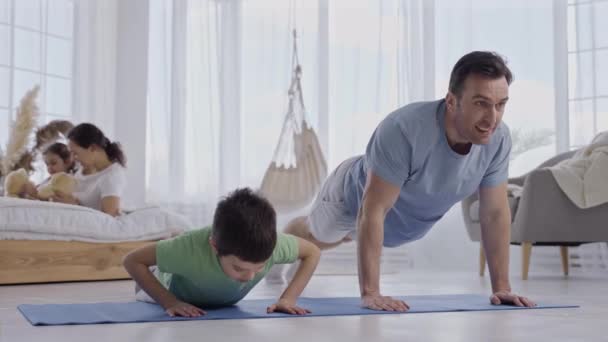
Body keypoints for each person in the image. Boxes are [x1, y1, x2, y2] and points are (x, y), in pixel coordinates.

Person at [282, 51, 535, 311]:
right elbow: (373, 210)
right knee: (316, 236)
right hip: (350, 199)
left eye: (500, 104)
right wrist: (371, 293)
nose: (492, 118)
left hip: (393, 224)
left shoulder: (498, 139)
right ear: (451, 101)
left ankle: (331, 238)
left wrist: (502, 288)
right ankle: (278, 244)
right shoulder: (403, 129)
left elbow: (493, 213)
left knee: (345, 237)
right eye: (481, 103)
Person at [123, 188, 321, 317]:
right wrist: (169, 302)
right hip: (166, 283)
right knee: (170, 256)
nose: (249, 277)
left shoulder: (273, 244)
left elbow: (312, 252)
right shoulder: (188, 249)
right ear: (215, 247)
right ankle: (169, 244)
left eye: (260, 267)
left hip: (216, 293)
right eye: (239, 268)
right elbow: (132, 261)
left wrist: (288, 298)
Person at [51, 123, 127, 217]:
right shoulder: (82, 169)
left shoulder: (112, 176)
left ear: (92, 148)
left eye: (75, 153)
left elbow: (110, 219)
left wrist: (75, 206)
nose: (73, 159)